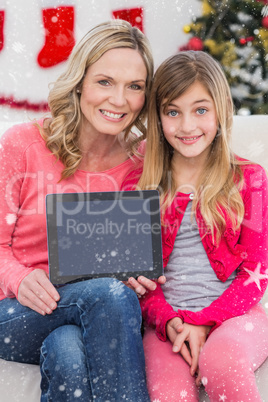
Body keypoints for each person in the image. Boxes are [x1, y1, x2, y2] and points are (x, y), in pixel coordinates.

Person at [0, 19, 165, 402]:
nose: (119, 100)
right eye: (105, 82)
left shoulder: (144, 163)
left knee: (69, 350)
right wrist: (18, 277)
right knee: (107, 297)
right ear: (80, 83)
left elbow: (143, 258)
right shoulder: (23, 145)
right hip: (14, 313)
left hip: (100, 312)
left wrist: (139, 277)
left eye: (135, 87)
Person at [128, 51, 268, 401]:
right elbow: (138, 278)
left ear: (220, 110)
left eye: (200, 110)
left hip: (237, 317)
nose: (187, 126)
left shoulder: (249, 179)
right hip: (166, 324)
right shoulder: (138, 186)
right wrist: (170, 321)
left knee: (222, 361)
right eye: (173, 112)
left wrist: (205, 320)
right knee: (169, 393)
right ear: (158, 119)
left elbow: (257, 271)